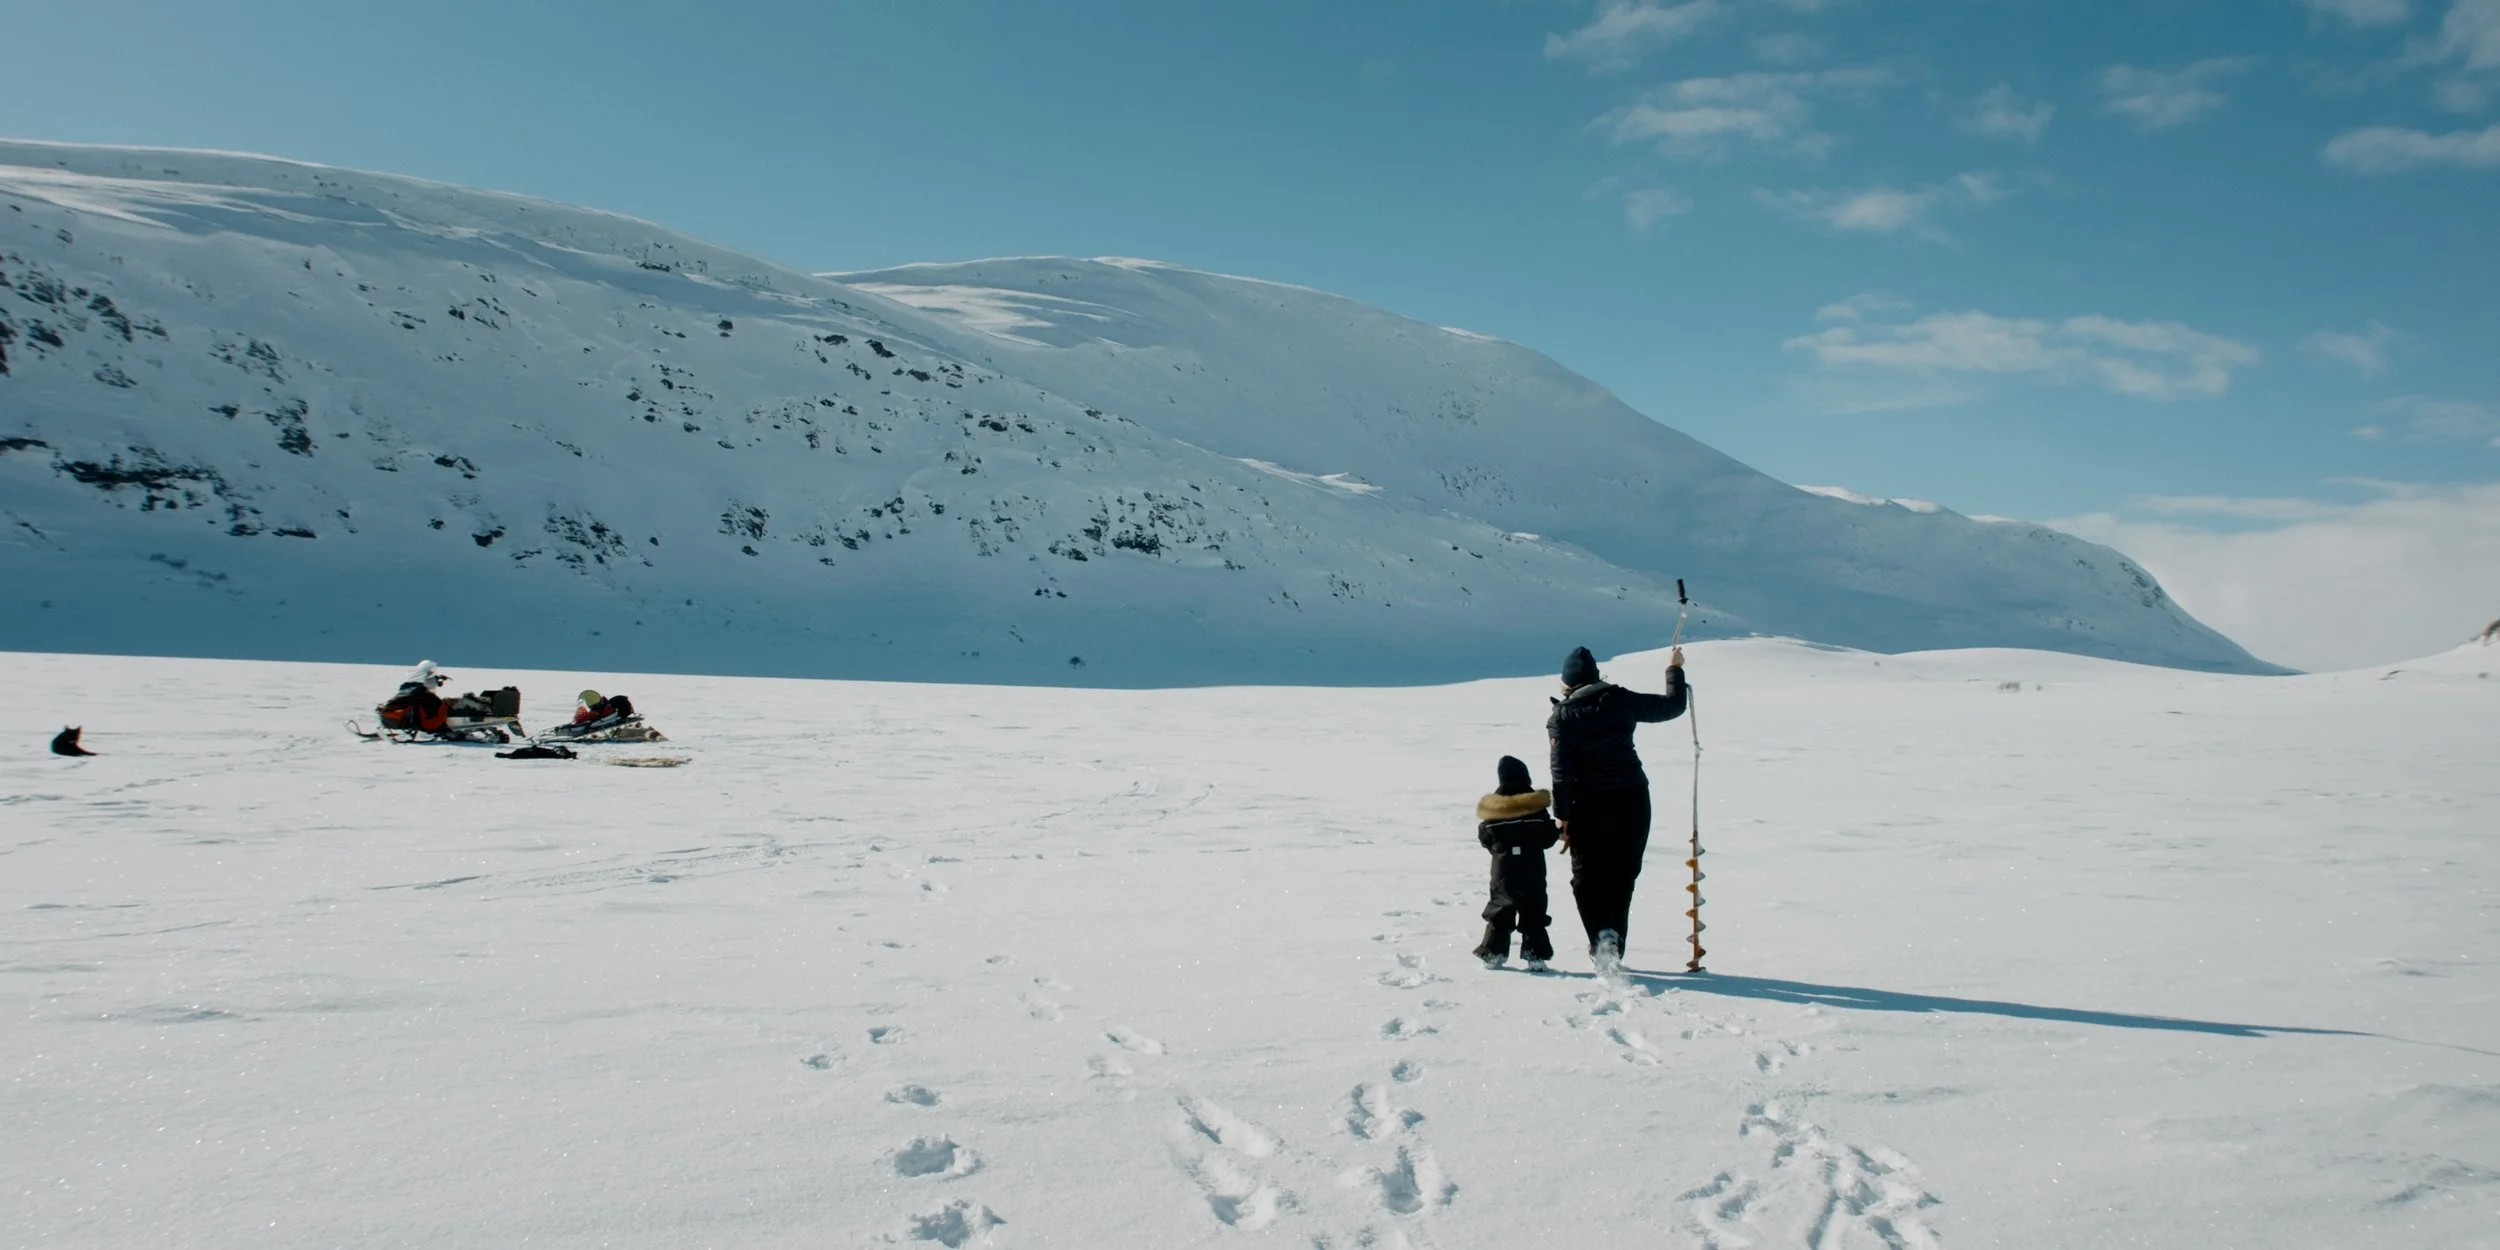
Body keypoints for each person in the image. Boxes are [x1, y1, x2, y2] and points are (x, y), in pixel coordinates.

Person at [1547, 644, 1688, 974]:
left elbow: (1562, 773)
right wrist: (1675, 669)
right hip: (1632, 798)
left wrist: (1562, 816)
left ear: (1566, 684)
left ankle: (1602, 938)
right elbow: (1672, 706)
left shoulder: (1562, 717)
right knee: (1622, 875)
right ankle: (1612, 942)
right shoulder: (1621, 700)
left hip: (1588, 804)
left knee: (1586, 878)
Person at [1472, 755, 1561, 971]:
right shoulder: (1535, 809)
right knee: (1533, 911)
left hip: (1503, 871)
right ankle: (1535, 956)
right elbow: (1548, 838)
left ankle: (1493, 954)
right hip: (1532, 870)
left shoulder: (1494, 812)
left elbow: (1485, 838)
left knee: (1501, 910)